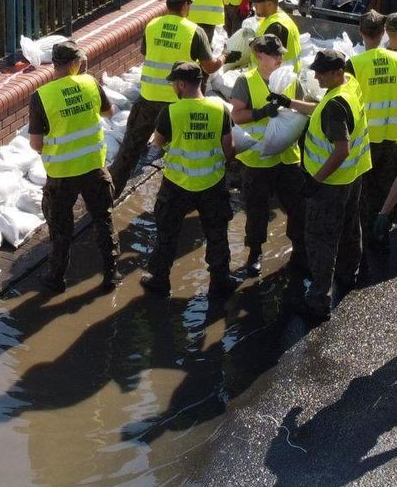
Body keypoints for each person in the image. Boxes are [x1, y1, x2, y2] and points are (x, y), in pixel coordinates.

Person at [109, 0, 224, 197]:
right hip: (177, 105)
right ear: (185, 5)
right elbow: (208, 67)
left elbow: (147, 52)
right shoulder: (194, 31)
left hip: (148, 99)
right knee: (182, 152)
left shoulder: (152, 25)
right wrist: (225, 57)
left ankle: (107, 196)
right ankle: (178, 196)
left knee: (129, 151)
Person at [140, 62, 239, 298]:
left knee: (167, 233)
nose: (173, 86)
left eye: (174, 83)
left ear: (182, 84)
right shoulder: (220, 110)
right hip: (211, 184)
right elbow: (229, 149)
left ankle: (160, 280)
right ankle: (220, 281)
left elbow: (158, 143)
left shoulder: (171, 112)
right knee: (216, 233)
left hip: (177, 184)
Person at [28, 41, 121, 294]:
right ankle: (112, 274)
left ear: (54, 64)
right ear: (73, 63)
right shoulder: (90, 83)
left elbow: (36, 144)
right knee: (103, 219)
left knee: (60, 229)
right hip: (93, 167)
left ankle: (56, 279)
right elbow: (110, 112)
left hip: (61, 174)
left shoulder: (41, 96)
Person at [296, 49, 372, 321]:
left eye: (321, 72)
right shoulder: (348, 85)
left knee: (321, 239)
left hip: (331, 184)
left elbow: (341, 149)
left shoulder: (335, 108)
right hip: (354, 176)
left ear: (337, 72)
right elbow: (322, 108)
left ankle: (317, 301)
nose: (315, 76)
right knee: (351, 227)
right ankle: (348, 275)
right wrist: (290, 103)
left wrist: (315, 181)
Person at [229, 35, 306, 276]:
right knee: (256, 209)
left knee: (297, 206)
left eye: (281, 54)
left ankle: (299, 251)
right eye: (275, 55)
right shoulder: (246, 81)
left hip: (288, 157)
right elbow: (236, 116)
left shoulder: (291, 80)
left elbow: (303, 109)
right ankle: (255, 253)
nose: (280, 58)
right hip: (258, 160)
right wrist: (262, 112)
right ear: (259, 56)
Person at [345, 11, 397, 264]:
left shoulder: (355, 64)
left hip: (365, 140)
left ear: (361, 32)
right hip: (393, 137)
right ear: (383, 32)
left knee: (363, 194)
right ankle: (383, 234)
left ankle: (363, 247)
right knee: (387, 188)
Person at [252, 0, 303, 73]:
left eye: (257, 2)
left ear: (269, 4)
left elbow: (269, 61)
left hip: (276, 80)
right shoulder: (278, 18)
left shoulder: (275, 26)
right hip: (283, 78)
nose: (254, 5)